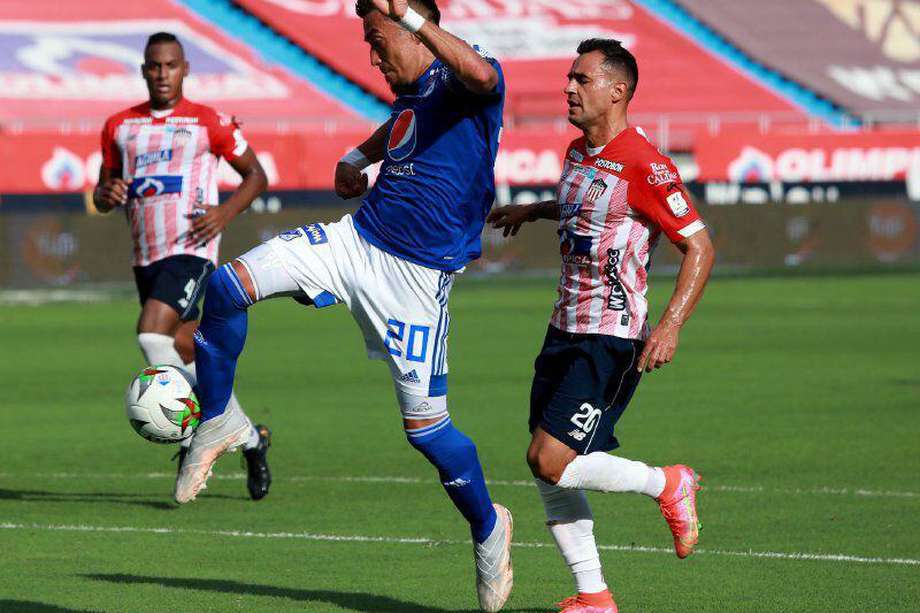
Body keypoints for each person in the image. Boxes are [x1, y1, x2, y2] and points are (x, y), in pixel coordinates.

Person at [174, 2, 513, 610]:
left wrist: (408, 18)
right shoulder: (414, 92)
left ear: (416, 31)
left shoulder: (471, 77)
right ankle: (220, 419)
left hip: (417, 280)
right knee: (225, 288)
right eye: (368, 42)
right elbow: (405, 126)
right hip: (356, 242)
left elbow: (485, 80)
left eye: (378, 40)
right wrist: (359, 157)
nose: (373, 55)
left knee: (428, 434)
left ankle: (489, 527)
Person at [487, 39, 715, 613]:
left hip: (612, 333)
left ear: (618, 91)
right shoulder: (576, 152)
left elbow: (700, 246)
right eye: (569, 77)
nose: (569, 87)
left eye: (581, 79)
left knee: (549, 458)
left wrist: (671, 325)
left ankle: (668, 484)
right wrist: (531, 211)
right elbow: (582, 206)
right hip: (563, 325)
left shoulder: (648, 164)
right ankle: (594, 597)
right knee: (544, 464)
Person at [93, 32, 273, 501]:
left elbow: (257, 175)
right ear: (143, 70)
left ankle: (195, 432)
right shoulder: (118, 126)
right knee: (187, 351)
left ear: (185, 69)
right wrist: (104, 194)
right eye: (154, 66)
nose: (162, 74)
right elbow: (104, 186)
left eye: (170, 65)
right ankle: (250, 437)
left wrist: (223, 214)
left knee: (151, 333)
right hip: (146, 255)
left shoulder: (207, 122)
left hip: (192, 248)